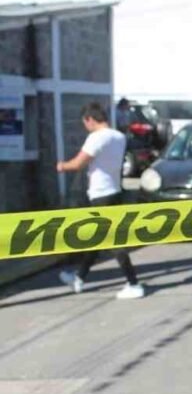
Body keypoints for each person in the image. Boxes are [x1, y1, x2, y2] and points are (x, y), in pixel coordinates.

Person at [57, 103, 145, 300]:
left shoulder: (96, 137)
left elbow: (79, 163)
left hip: (101, 194)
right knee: (98, 236)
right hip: (114, 190)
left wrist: (63, 166)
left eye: (84, 123)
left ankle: (134, 284)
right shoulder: (118, 136)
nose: (85, 127)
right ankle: (79, 278)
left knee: (112, 239)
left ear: (89, 119)